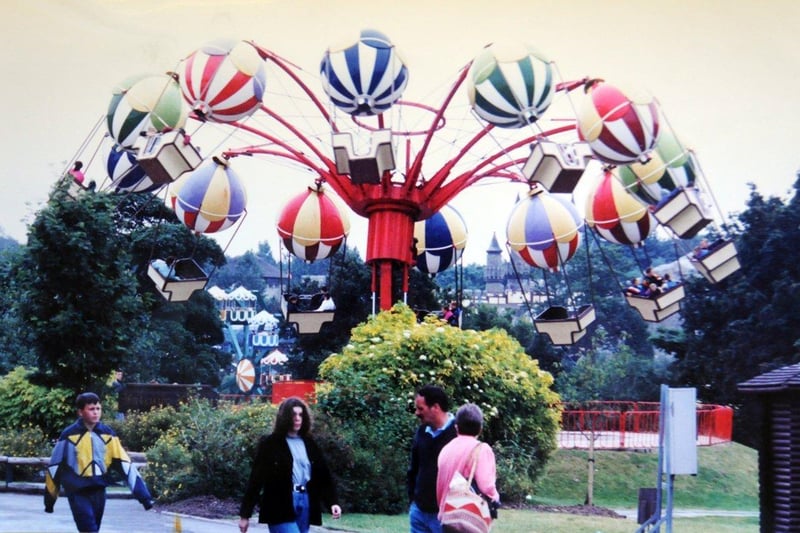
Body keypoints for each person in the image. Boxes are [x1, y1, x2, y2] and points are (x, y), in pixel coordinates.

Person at [44, 392, 154, 533]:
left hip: (99, 491)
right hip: (77, 492)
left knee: (94, 528)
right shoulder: (69, 435)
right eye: (91, 409)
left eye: (98, 409)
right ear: (80, 412)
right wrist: (49, 501)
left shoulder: (107, 434)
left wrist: (144, 497)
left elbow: (125, 465)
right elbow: (54, 467)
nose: (96, 412)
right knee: (89, 529)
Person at [239, 397, 341, 533]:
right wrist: (245, 515)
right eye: (293, 415)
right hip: (279, 503)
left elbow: (324, 476)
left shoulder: (310, 444)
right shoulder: (271, 444)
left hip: (305, 502)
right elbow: (256, 480)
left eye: (300, 415)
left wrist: (332, 502)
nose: (298, 418)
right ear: (285, 417)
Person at [436, 404, 500, 529]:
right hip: (469, 518)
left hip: (447, 516)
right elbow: (486, 486)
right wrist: (496, 496)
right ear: (480, 429)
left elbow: (440, 485)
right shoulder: (482, 449)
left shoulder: (446, 449)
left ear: (456, 427)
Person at [408, 384, 457, 533]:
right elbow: (413, 468)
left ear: (435, 407)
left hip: (444, 514)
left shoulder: (457, 434)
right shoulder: (422, 432)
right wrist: (413, 500)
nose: (416, 413)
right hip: (419, 510)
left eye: (420, 409)